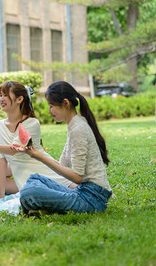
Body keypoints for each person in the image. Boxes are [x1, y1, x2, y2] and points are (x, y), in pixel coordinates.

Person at [18, 81, 112, 215]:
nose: (50, 111)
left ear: (66, 104)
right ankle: (44, 207)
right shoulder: (74, 125)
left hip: (92, 199)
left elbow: (77, 177)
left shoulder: (79, 129)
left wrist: (39, 157)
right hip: (82, 192)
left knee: (29, 193)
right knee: (35, 178)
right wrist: (36, 153)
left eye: (51, 106)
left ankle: (43, 207)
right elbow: (62, 165)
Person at [0, 81, 73, 198]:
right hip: (25, 181)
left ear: (19, 99)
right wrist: (1, 193)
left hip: (46, 172)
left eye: (5, 95)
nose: (2, 99)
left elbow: (15, 149)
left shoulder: (31, 123)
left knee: (77, 192)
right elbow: (0, 160)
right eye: (0, 96)